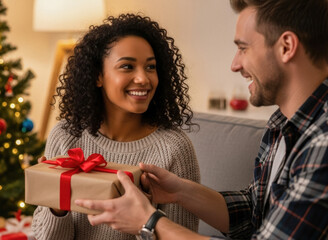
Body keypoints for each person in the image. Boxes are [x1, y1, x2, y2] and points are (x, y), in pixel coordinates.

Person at [75, 0, 328, 239]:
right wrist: (180, 191)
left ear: (286, 47)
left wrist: (149, 222)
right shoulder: (282, 126)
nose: (235, 64)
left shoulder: (322, 143)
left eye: (243, 48)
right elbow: (254, 211)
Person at [31, 14, 201, 240]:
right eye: (127, 66)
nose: (143, 78)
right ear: (98, 76)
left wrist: (144, 219)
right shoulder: (65, 136)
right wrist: (57, 205)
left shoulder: (174, 149)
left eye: (150, 67)